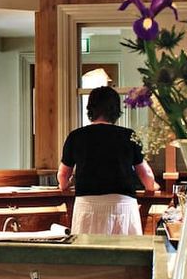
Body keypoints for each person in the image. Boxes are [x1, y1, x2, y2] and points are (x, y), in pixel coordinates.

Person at [57, 86, 159, 235]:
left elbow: (63, 174)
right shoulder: (128, 135)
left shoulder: (76, 136)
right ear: (116, 110)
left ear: (90, 109)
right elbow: (146, 174)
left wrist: (64, 185)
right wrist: (152, 187)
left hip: (87, 206)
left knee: (88, 249)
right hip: (122, 205)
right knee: (126, 249)